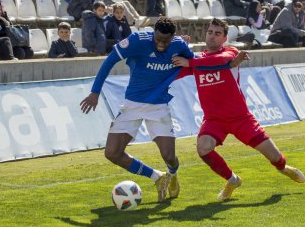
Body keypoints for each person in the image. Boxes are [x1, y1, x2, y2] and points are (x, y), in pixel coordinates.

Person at [79, 17, 234, 202]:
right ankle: (157, 177)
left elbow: (198, 64)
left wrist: (229, 63)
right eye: (158, 39)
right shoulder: (138, 40)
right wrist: (95, 92)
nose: (161, 44)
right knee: (112, 153)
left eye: (165, 41)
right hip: (132, 105)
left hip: (159, 106)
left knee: (169, 156)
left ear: (172, 38)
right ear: (154, 33)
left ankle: (173, 174)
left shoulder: (178, 46)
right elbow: (109, 61)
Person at [171, 18, 305, 202]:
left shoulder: (230, 52)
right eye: (210, 32)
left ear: (225, 38)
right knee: (203, 148)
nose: (212, 36)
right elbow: (174, 72)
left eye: (217, 34)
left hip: (241, 118)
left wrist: (190, 62)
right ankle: (232, 180)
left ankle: (284, 168)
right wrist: (176, 51)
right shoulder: (197, 61)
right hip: (214, 120)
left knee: (275, 156)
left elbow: (222, 60)